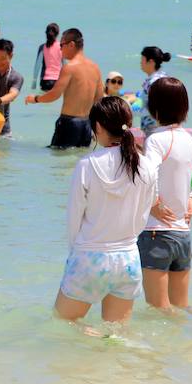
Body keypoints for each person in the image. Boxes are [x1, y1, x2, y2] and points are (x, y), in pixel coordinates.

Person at [55, 96, 158, 323]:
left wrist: (73, 256)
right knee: (116, 334)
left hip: (89, 257)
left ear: (98, 127)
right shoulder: (147, 165)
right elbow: (146, 211)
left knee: (63, 323)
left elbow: (74, 218)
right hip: (128, 259)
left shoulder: (87, 165)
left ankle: (89, 336)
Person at [139, 77, 192, 311]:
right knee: (180, 307)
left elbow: (148, 172)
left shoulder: (155, 139)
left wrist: (153, 201)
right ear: (185, 108)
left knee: (158, 309)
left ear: (153, 108)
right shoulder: (189, 140)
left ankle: (163, 349)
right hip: (183, 235)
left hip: (156, 234)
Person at [25, 28, 102, 149]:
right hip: (86, 125)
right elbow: (99, 100)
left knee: (59, 163)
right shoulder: (95, 68)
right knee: (79, 161)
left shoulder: (69, 68)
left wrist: (35, 98)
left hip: (69, 124)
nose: (60, 49)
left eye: (62, 45)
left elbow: (55, 94)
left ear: (71, 45)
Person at [138, 46, 171, 136]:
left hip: (154, 129)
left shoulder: (153, 82)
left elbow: (155, 107)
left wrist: (131, 111)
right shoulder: (164, 77)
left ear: (151, 62)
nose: (141, 63)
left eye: (143, 60)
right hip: (164, 127)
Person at [32, 23, 62, 91]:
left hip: (45, 82)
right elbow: (65, 65)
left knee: (44, 100)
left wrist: (34, 82)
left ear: (46, 33)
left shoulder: (42, 47)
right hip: (58, 81)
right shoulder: (61, 47)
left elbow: (37, 66)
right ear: (57, 33)